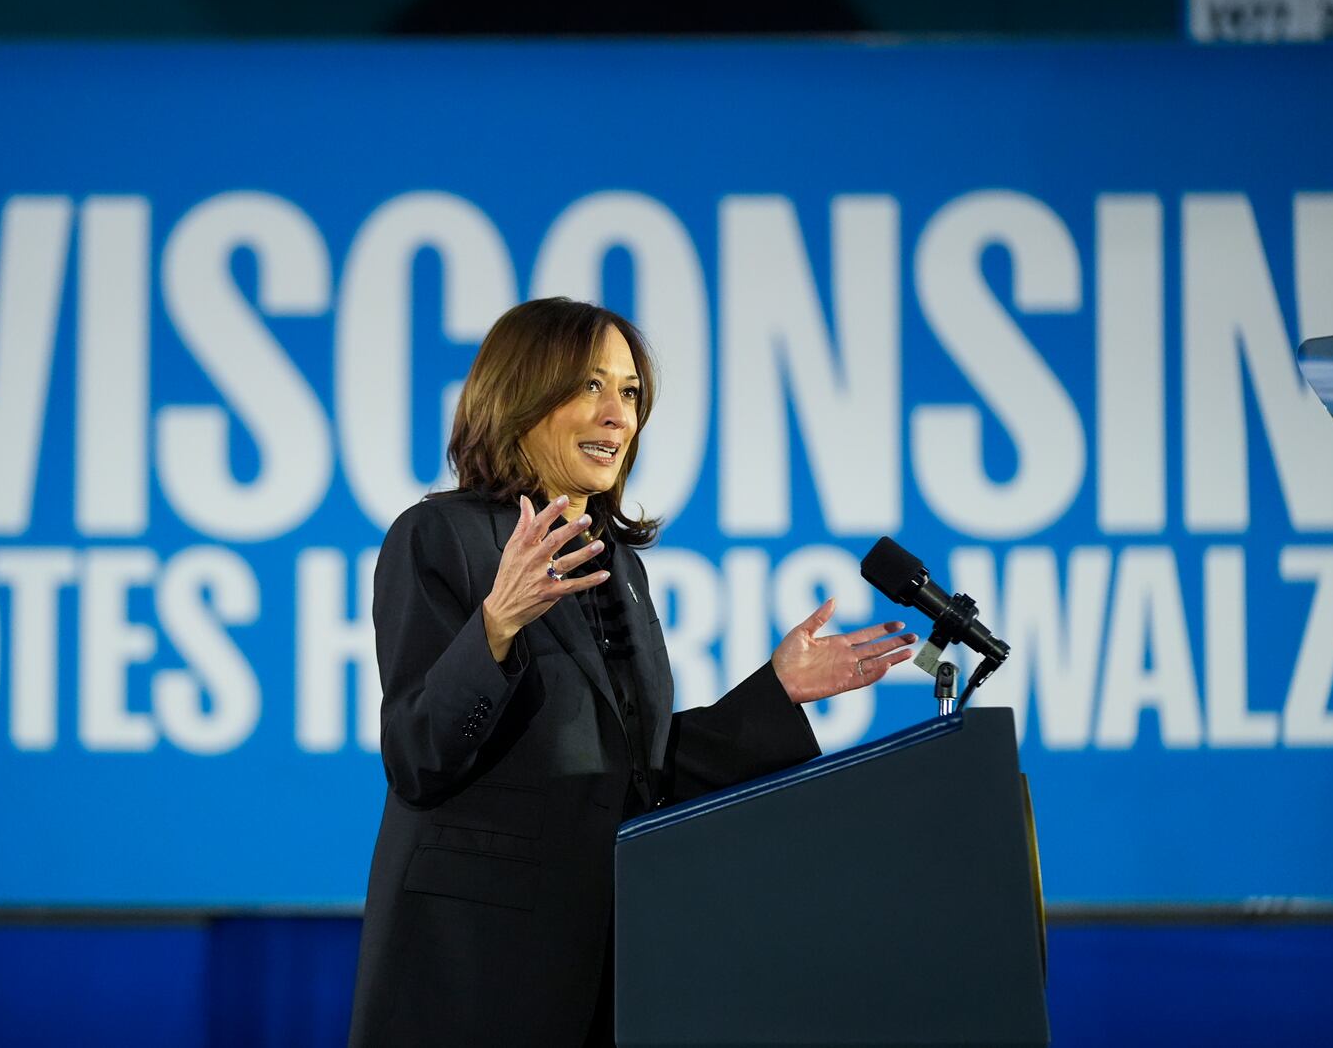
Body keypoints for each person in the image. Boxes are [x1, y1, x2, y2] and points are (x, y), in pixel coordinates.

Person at [348, 298, 916, 1047]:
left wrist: (775, 695)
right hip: (472, 975)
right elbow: (418, 754)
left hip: (604, 972)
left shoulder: (620, 570)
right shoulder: (439, 537)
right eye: (589, 386)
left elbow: (627, 775)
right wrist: (496, 625)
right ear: (519, 394)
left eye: (630, 392)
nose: (619, 415)